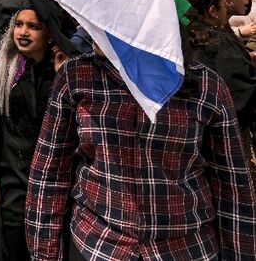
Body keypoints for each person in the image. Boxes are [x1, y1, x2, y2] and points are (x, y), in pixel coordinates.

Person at [25, 35, 256, 259]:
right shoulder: (76, 75)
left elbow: (232, 187)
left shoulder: (207, 85)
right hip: (98, 244)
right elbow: (49, 172)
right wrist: (44, 253)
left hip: (186, 248)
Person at [0, 0, 74, 261]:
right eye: (19, 24)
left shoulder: (63, 75)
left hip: (54, 187)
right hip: (10, 186)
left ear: (49, 33)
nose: (23, 32)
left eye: (33, 26)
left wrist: (63, 78)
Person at [178, 0, 256, 180]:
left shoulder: (177, 42)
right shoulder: (218, 43)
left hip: (189, 139)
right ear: (213, 11)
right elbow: (241, 95)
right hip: (226, 138)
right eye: (223, 6)